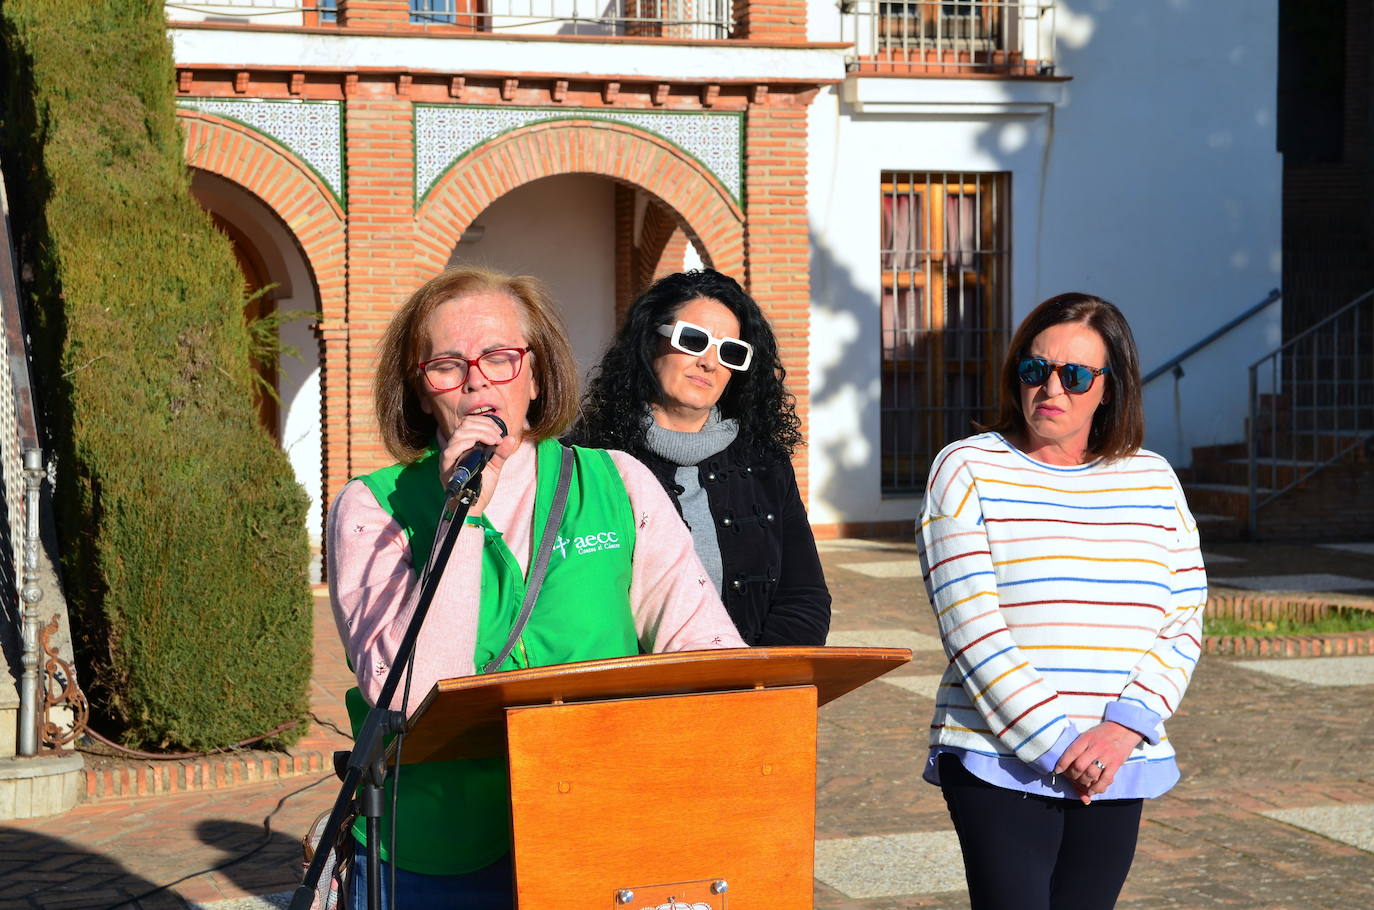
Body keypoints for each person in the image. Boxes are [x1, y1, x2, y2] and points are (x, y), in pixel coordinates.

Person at [327, 267, 746, 907]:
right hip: (438, 855)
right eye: (446, 364)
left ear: (537, 374)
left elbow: (707, 649)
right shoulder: (371, 507)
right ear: (419, 391)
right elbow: (410, 697)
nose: (476, 381)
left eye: (500, 357)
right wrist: (459, 515)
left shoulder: (617, 481)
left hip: (599, 828)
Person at [917, 293, 1206, 910]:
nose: (1052, 387)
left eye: (1075, 376)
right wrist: (1057, 745)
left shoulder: (1153, 478)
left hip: (1115, 759)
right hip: (1000, 756)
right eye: (1035, 369)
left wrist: (1122, 731)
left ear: (1110, 388)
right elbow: (971, 628)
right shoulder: (967, 467)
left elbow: (1184, 617)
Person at [570, 268, 831, 646]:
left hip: (755, 694)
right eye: (693, 340)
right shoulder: (589, 462)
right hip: (638, 695)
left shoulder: (765, 464)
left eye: (730, 351)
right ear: (649, 342)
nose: (709, 362)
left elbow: (804, 597)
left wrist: (759, 680)